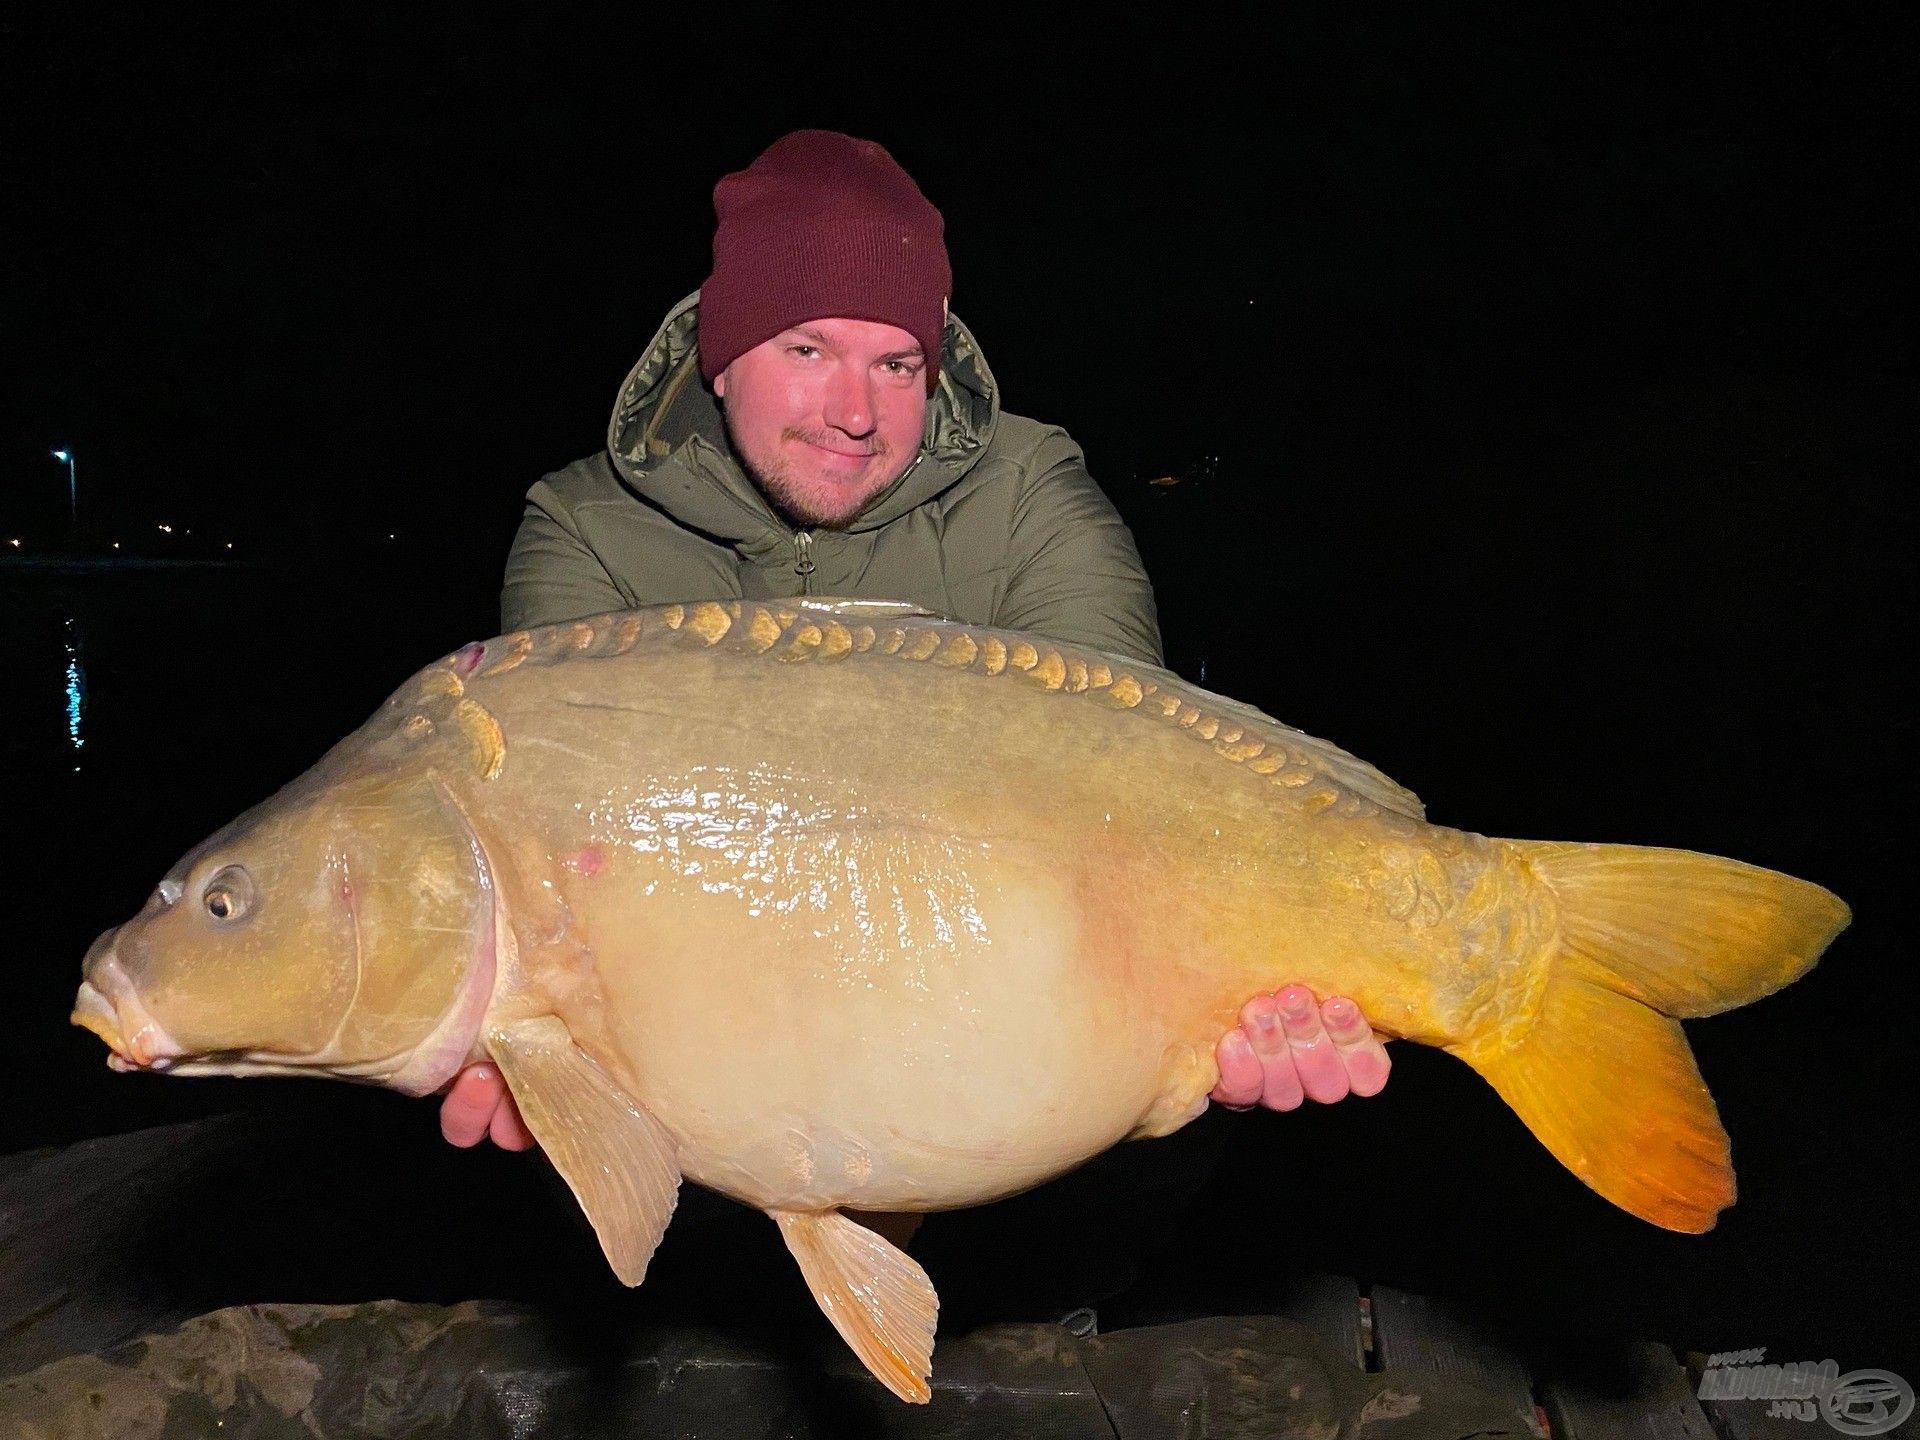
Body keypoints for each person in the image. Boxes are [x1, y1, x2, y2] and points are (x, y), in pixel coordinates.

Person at [437, 131, 1391, 1273]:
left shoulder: (1031, 492)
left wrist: (1215, 1008)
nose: (856, 411)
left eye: (896, 365)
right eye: (806, 348)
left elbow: (1127, 800)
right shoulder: (584, 531)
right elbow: (550, 860)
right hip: (708, 1148)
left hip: (1022, 1120)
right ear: (720, 356)